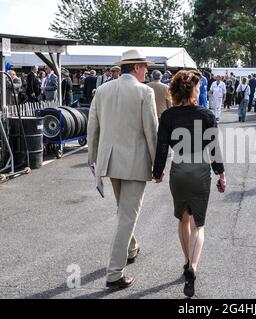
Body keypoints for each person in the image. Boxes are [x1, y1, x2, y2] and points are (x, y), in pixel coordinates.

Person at [87, 49, 158, 289]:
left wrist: (92, 160)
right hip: (135, 162)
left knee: (124, 212)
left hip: (108, 161)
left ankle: (131, 247)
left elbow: (92, 127)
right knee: (127, 216)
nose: (147, 70)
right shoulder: (144, 92)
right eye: (145, 66)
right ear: (136, 67)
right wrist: (159, 165)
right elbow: (151, 131)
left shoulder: (103, 90)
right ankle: (114, 274)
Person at [152, 70, 226, 298]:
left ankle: (186, 262)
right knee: (198, 225)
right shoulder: (206, 114)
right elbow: (213, 148)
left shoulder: (168, 116)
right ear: (194, 90)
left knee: (183, 218)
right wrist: (221, 174)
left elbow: (162, 147)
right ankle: (193, 266)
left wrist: (158, 172)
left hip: (179, 169)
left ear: (174, 91)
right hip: (201, 168)